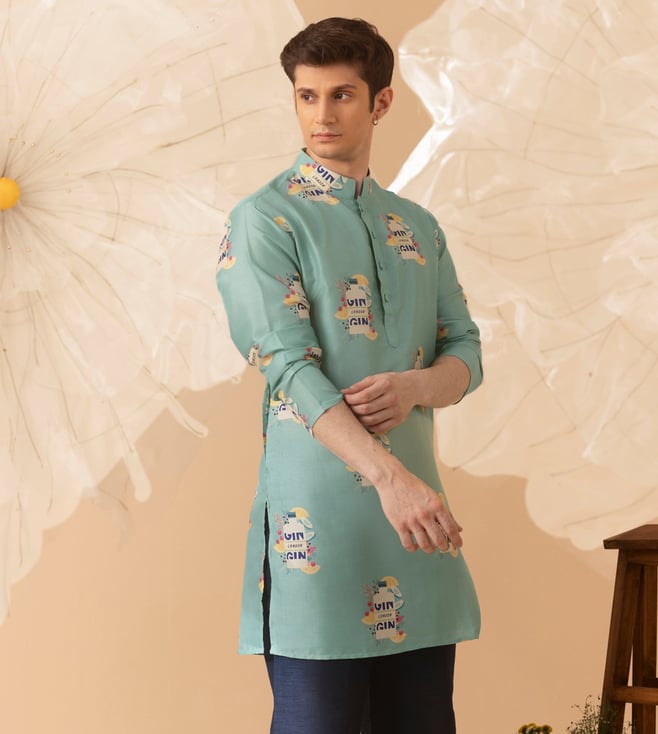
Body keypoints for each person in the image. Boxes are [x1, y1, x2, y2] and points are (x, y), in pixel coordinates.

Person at [215, 17, 483, 734]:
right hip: (318, 535)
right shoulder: (265, 220)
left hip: (416, 532)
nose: (322, 114)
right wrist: (391, 480)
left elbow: (466, 351)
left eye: (341, 95)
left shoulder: (418, 226)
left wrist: (416, 387)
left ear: (381, 102)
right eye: (307, 97)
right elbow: (286, 365)